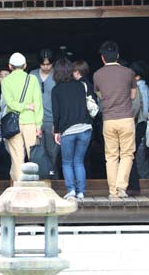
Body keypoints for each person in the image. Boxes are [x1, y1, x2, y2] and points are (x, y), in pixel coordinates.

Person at [93, 40, 137, 199]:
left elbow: (100, 96)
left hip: (108, 120)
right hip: (126, 118)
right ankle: (121, 187)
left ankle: (113, 192)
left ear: (103, 58)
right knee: (127, 154)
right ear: (117, 56)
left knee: (111, 156)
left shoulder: (97, 75)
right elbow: (133, 95)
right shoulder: (129, 72)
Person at [52, 58, 92, 201]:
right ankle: (81, 192)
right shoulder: (81, 86)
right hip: (85, 128)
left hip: (68, 130)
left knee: (67, 162)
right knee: (79, 161)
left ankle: (71, 191)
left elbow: (56, 114)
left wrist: (56, 131)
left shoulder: (56, 90)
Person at [1, 51, 43, 182]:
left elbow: (9, 103)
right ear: (25, 65)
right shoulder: (33, 79)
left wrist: (21, 106)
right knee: (34, 157)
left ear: (10, 66)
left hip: (14, 123)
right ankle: (34, 187)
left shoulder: (6, 81)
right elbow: (38, 103)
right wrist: (38, 125)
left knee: (17, 157)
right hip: (30, 121)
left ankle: (19, 187)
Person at [30, 48, 58, 179]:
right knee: (36, 152)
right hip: (35, 119)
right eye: (43, 64)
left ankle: (52, 178)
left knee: (52, 152)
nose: (46, 67)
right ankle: (38, 178)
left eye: (48, 64)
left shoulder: (57, 75)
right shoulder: (32, 75)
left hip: (52, 119)